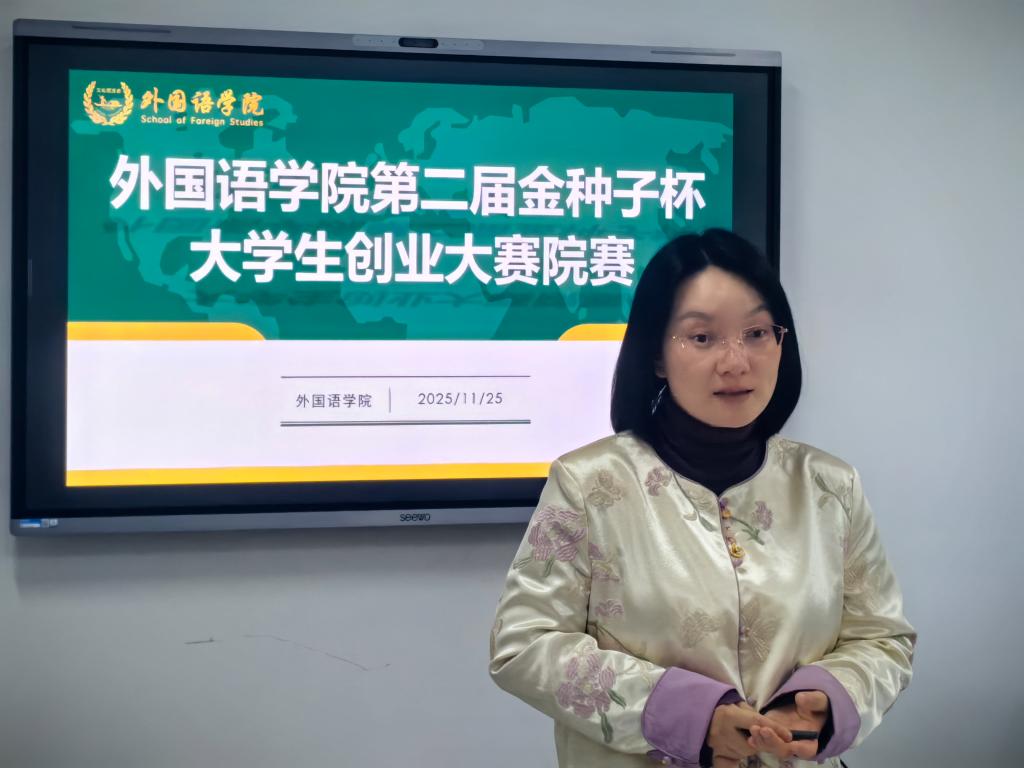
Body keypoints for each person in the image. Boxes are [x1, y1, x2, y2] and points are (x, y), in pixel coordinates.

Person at [489, 229, 915, 768]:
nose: (735, 361)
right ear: (657, 355)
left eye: (756, 333)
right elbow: (524, 643)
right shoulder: (589, 484)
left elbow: (882, 638)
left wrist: (824, 702)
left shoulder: (831, 486)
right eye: (702, 337)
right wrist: (689, 715)